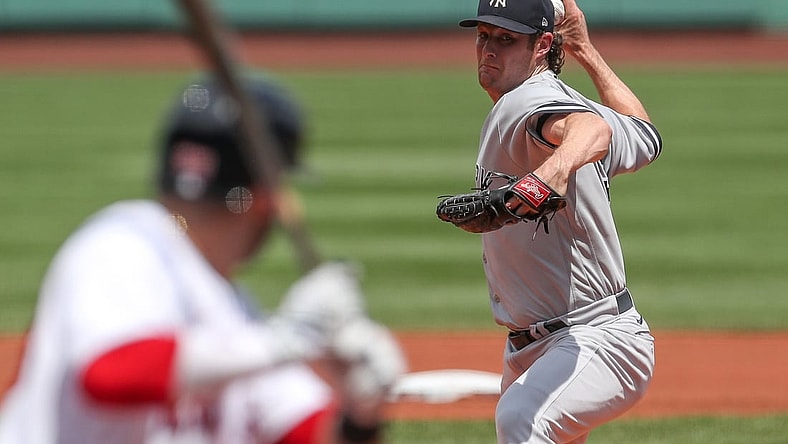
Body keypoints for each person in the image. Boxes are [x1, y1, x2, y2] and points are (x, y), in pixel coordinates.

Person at [0, 74, 406, 444]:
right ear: (266, 198)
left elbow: (304, 432)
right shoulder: (118, 244)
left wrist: (359, 413)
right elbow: (110, 373)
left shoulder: (232, 311)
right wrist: (287, 338)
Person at [436, 0, 662, 442]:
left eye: (506, 40)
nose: (489, 50)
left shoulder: (529, 101)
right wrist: (587, 51)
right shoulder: (557, 96)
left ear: (541, 46)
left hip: (595, 338)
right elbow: (643, 134)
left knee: (522, 418)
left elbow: (591, 133)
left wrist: (546, 179)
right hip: (543, 343)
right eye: (484, 36)